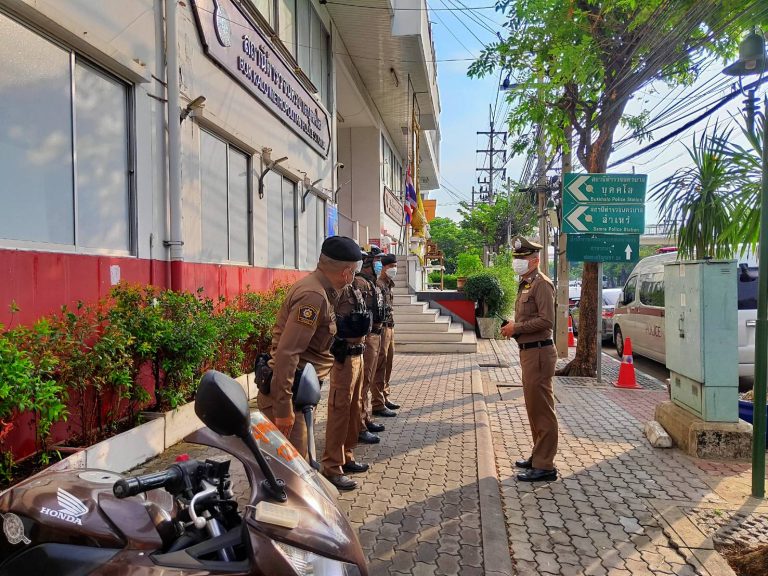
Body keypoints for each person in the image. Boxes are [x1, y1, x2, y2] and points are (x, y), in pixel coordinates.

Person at [257, 236, 360, 459]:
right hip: (288, 397)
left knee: (295, 466)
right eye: (354, 271)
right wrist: (283, 409)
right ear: (346, 272)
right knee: (294, 469)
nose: (354, 276)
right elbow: (288, 353)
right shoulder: (313, 296)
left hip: (298, 394)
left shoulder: (322, 291)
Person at [500, 236, 558, 482]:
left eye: (522, 258)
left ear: (535, 260)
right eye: (516, 258)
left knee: (543, 410)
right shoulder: (526, 283)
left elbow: (547, 321)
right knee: (534, 409)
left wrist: (517, 327)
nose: (517, 262)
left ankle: (545, 466)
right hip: (529, 352)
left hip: (539, 353)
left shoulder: (541, 284)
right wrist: (514, 328)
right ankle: (538, 456)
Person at [321, 252, 373, 491]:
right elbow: (328, 323)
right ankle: (332, 466)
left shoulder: (353, 287)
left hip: (358, 354)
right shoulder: (334, 291)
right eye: (353, 265)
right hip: (343, 358)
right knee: (340, 411)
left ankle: (347, 456)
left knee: (354, 408)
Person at [355, 246, 393, 446]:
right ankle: (359, 425)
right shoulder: (360, 283)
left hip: (376, 334)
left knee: (368, 379)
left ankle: (365, 419)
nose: (380, 264)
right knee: (362, 384)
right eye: (377, 260)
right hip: (367, 337)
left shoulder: (371, 282)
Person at [373, 253, 400, 413]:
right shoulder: (378, 284)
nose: (394, 269)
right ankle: (377, 402)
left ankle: (385, 396)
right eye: (391, 266)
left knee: (388, 363)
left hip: (390, 327)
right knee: (380, 364)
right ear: (383, 267)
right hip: (382, 328)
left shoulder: (389, 284)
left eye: (395, 266)